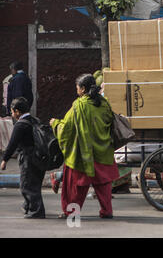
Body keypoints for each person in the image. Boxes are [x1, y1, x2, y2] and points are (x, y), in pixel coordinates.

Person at [50, 74, 119, 219]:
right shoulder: (104, 103)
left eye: (77, 87)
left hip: (84, 152)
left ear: (82, 89)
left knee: (76, 185)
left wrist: (55, 123)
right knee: (103, 185)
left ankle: (72, 212)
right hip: (103, 150)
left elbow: (67, 127)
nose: (76, 90)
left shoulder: (79, 105)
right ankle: (107, 211)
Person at [0, 97, 46, 218]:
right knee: (34, 184)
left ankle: (37, 211)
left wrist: (4, 160)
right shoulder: (35, 120)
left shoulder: (20, 125)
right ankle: (28, 206)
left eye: (12, 111)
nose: (11, 114)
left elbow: (12, 144)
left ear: (17, 111)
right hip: (39, 158)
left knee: (27, 185)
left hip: (28, 159)